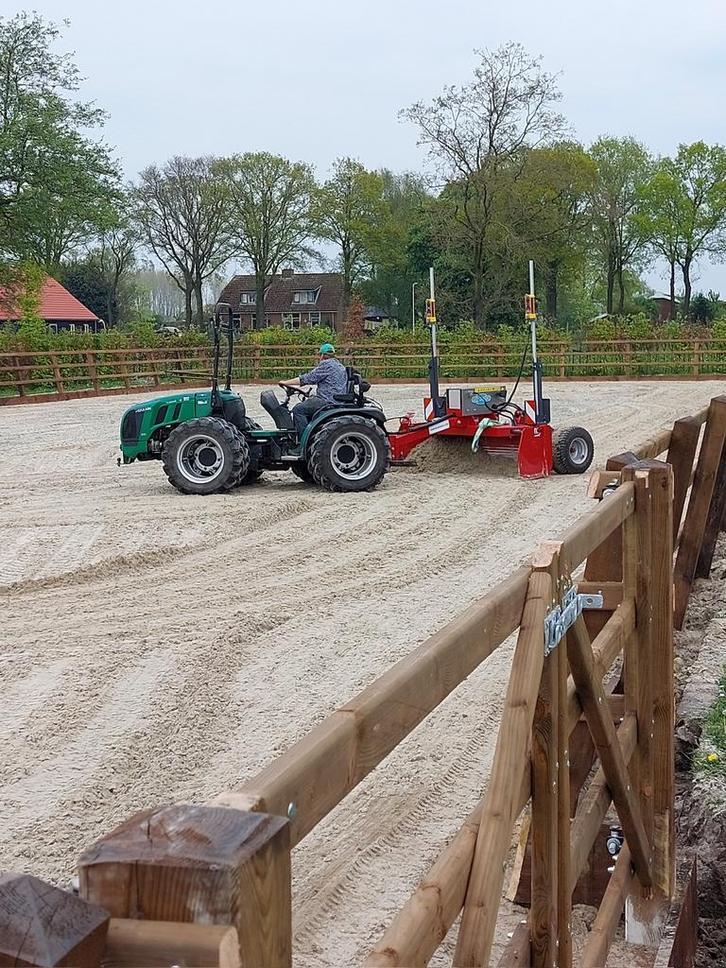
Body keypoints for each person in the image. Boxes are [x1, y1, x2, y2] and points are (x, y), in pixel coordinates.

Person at [281, 342, 349, 435]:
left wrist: (285, 382)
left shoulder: (326, 364)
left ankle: (303, 439)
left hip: (327, 401)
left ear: (322, 355)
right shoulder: (340, 366)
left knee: (298, 410)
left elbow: (307, 379)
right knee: (308, 403)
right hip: (336, 400)